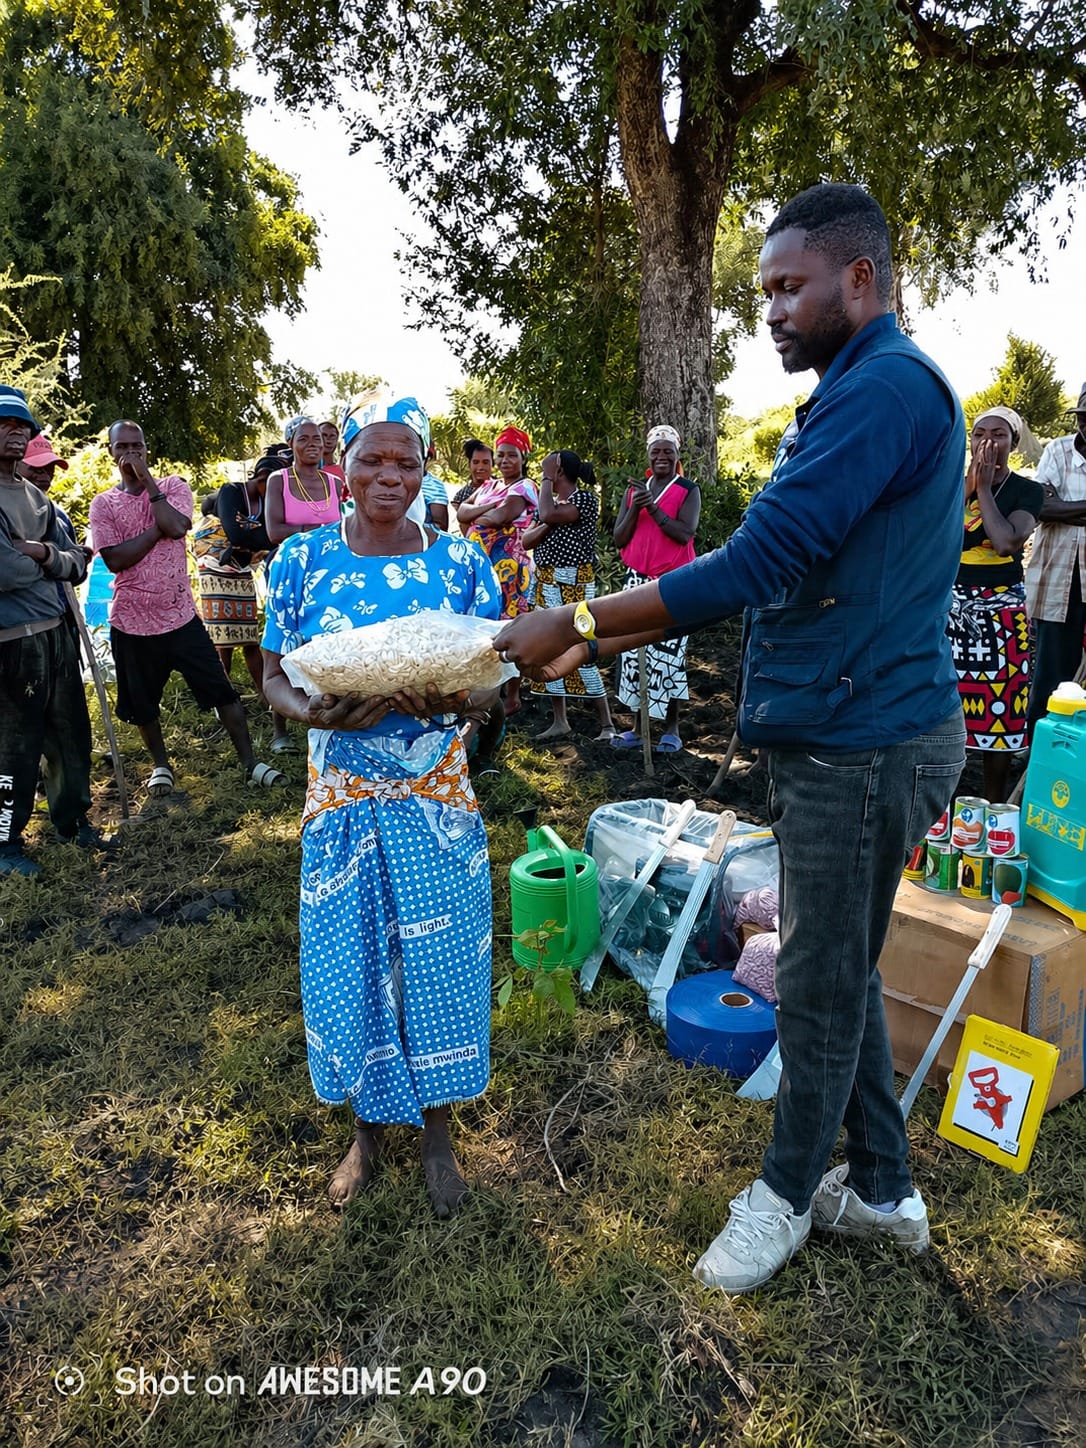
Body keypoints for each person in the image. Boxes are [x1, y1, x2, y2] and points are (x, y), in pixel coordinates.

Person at [496, 183, 967, 1293]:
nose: (770, 310)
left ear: (860, 279)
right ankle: (887, 1190)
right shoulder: (859, 389)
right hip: (843, 727)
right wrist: (592, 641)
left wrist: (577, 620)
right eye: (763, 291)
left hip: (867, 738)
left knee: (811, 976)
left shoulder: (885, 389)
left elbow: (761, 560)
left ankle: (787, 1193)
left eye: (788, 287)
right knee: (835, 962)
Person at [261, 392, 501, 1217]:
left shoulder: (463, 564)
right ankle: (366, 1133)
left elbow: (491, 680)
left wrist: (454, 701)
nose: (388, 475)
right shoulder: (300, 562)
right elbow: (271, 677)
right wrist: (313, 711)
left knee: (439, 961)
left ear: (426, 469)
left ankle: (437, 1134)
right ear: (344, 465)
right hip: (343, 794)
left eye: (407, 461)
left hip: (435, 793)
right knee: (350, 959)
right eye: (372, 457)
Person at [88, 421, 285, 795]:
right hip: (131, 620)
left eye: (138, 446)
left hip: (180, 615)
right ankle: (161, 765)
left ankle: (250, 761)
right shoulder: (104, 504)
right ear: (111, 452)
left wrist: (149, 484)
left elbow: (178, 527)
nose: (132, 454)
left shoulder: (173, 485)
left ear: (147, 449)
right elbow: (114, 559)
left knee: (222, 691)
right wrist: (155, 531)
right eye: (123, 447)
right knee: (144, 704)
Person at [0, 388, 98, 876]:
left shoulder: (39, 499)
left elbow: (76, 565)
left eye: (24, 426)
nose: (17, 432)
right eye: (6, 424)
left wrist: (38, 553)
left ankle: (72, 820)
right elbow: (3, 573)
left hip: (57, 633)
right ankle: (5, 843)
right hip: (11, 640)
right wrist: (47, 563)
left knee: (70, 732)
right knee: (14, 745)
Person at [949, 407, 1043, 801]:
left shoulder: (1027, 491)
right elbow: (932, 533)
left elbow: (1006, 542)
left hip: (1001, 619)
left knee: (1000, 714)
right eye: (979, 433)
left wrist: (985, 489)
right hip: (951, 614)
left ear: (1014, 443)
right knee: (944, 713)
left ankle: (992, 808)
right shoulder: (950, 485)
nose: (987, 441)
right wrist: (970, 487)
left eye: (999, 434)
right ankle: (942, 809)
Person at [192, 454, 295, 753]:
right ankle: (224, 700)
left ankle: (266, 696)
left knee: (249, 639)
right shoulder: (231, 492)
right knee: (221, 642)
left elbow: (265, 537)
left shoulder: (265, 501)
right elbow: (239, 532)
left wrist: (255, 539)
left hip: (240, 571)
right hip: (214, 572)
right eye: (274, 488)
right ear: (263, 479)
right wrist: (260, 537)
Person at [610, 425, 700, 752]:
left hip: (673, 582)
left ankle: (672, 728)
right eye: (656, 451)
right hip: (635, 580)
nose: (661, 456)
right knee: (634, 653)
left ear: (677, 456)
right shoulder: (635, 490)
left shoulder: (688, 489)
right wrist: (636, 506)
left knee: (670, 654)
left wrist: (654, 509)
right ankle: (638, 726)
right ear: (648, 455)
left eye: (668, 451)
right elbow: (619, 538)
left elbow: (684, 534)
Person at [521, 450, 614, 742]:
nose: (542, 470)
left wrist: (547, 485)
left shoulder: (585, 499)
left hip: (574, 583)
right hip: (547, 580)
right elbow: (527, 540)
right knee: (551, 649)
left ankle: (607, 724)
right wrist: (550, 521)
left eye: (548, 467)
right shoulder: (551, 505)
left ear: (558, 471)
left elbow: (546, 515)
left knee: (581, 647)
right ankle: (560, 720)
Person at [455, 425, 537, 714]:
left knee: (510, 625)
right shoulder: (490, 486)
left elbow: (502, 516)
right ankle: (490, 689)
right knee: (484, 623)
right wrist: (481, 512)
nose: (504, 461)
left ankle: (512, 695)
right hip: (483, 565)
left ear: (523, 457)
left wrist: (480, 513)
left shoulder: (524, 487)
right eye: (500, 455)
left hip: (510, 569)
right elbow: (461, 512)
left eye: (511, 456)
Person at [1024, 385, 1086, 736]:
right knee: (1051, 671)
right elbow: (1042, 506)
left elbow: (1056, 507)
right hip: (1058, 580)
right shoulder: (1057, 450)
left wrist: (1068, 509)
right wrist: (1055, 508)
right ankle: (1039, 748)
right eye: (1084, 418)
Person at [265, 417, 341, 547]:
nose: (312, 444)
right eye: (303, 439)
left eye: (317, 439)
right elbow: (275, 533)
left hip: (334, 562)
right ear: (291, 444)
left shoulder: (336, 483)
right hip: (295, 561)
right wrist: (322, 529)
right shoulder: (279, 481)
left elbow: (351, 527)